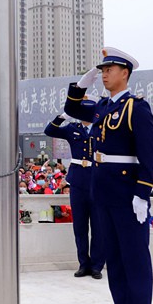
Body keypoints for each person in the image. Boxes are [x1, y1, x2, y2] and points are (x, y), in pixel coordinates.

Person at [64, 47, 153, 304]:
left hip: (127, 193)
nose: (104, 75)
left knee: (135, 260)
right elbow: (72, 109)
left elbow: (148, 155)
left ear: (125, 73)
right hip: (102, 190)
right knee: (114, 261)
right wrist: (82, 84)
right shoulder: (102, 106)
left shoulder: (136, 108)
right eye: (102, 70)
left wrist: (142, 193)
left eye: (109, 70)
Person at [44, 107, 104, 279]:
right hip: (77, 181)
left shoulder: (101, 128)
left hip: (97, 180)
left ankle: (97, 265)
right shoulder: (73, 128)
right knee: (80, 226)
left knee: (99, 227)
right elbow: (49, 130)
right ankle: (83, 264)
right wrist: (64, 116)